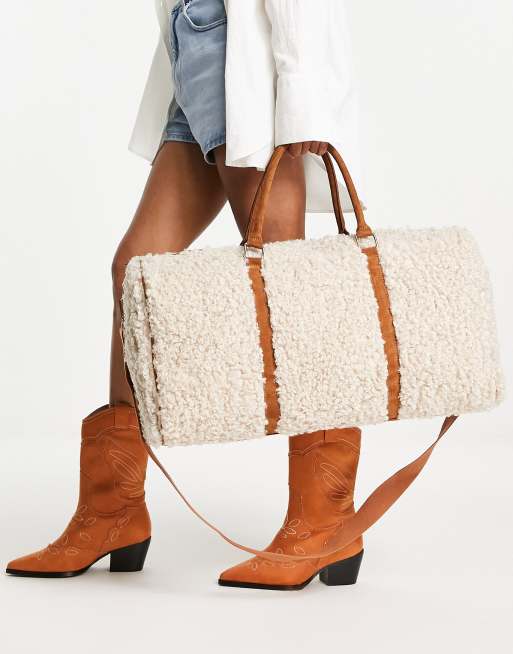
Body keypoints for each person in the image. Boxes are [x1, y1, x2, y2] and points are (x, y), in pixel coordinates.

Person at [6, 0, 365, 590]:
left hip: (240, 50)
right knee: (137, 273)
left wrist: (301, 87)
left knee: (285, 290)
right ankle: (111, 511)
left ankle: (326, 520)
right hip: (195, 55)